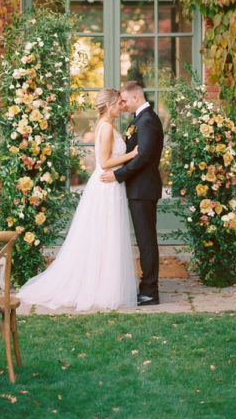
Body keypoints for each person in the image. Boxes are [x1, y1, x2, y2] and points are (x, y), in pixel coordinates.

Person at [17, 88, 137, 312]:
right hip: (106, 187)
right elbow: (104, 162)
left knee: (105, 236)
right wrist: (133, 154)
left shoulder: (104, 125)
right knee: (104, 235)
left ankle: (105, 285)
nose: (122, 107)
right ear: (110, 105)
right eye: (119, 103)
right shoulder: (107, 128)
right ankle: (100, 288)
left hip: (110, 186)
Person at [101, 81, 164, 306]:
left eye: (125, 100)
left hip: (143, 189)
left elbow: (144, 156)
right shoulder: (140, 119)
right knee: (144, 239)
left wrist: (118, 175)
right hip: (138, 189)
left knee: (146, 241)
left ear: (136, 98)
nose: (123, 104)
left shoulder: (147, 120)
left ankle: (150, 291)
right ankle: (147, 286)